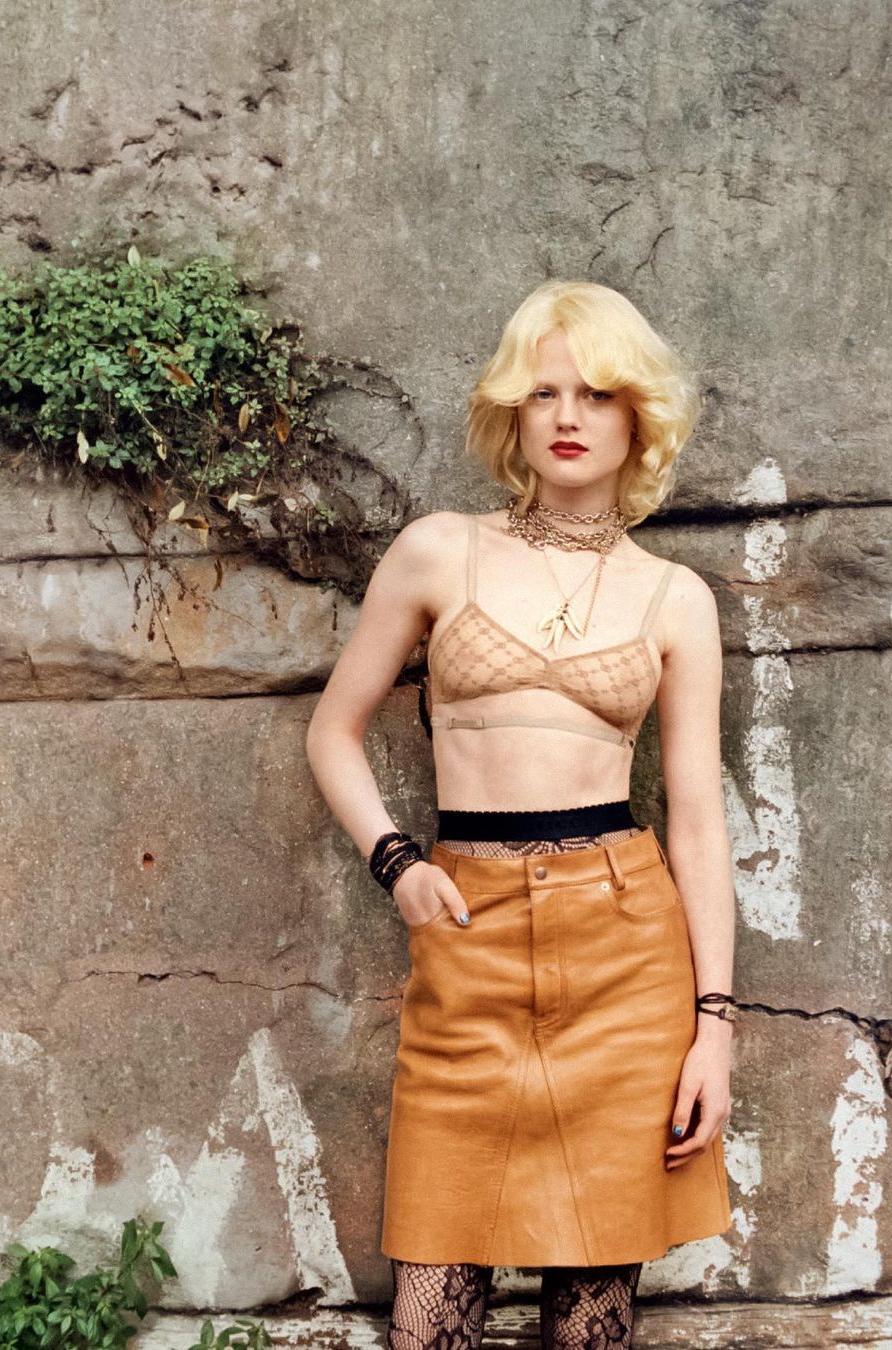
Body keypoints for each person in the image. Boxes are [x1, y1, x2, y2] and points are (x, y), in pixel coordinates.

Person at [305, 279, 737, 1349]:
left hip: (623, 953)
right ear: (513, 409)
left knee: (590, 1318)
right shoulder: (438, 550)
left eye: (597, 393)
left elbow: (695, 823)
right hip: (472, 942)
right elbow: (332, 732)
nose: (568, 416)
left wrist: (714, 1029)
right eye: (543, 392)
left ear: (638, 415)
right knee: (429, 1314)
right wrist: (397, 862)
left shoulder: (675, 597)